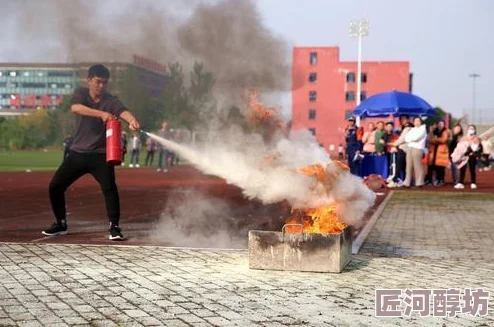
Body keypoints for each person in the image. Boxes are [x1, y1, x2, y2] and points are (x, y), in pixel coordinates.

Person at [42, 64, 140, 240]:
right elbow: (76, 108)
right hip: (77, 153)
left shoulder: (111, 100)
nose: (101, 86)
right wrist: (101, 114)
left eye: (104, 83)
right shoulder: (80, 94)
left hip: (100, 155)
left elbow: (122, 111)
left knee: (109, 188)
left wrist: (132, 120)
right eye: (98, 82)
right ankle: (61, 223)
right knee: (55, 186)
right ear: (89, 80)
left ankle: (115, 227)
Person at [452, 125, 482, 189]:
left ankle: (473, 183)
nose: (471, 129)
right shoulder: (464, 137)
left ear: (475, 130)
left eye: (472, 128)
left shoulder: (476, 138)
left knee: (472, 169)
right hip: (464, 156)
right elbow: (459, 146)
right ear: (468, 129)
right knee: (462, 169)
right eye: (470, 128)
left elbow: (477, 148)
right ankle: (460, 183)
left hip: (472, 156)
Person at [402, 117, 427, 188]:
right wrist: (410, 139)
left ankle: (419, 182)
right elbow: (406, 138)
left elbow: (417, 138)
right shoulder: (412, 129)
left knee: (417, 165)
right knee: (408, 166)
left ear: (421, 122)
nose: (417, 122)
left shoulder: (423, 129)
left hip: (418, 148)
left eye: (418, 121)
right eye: (415, 121)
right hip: (410, 148)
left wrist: (410, 139)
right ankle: (407, 182)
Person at [425, 120, 449, 186]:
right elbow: (430, 139)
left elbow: (444, 140)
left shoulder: (445, 131)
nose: (440, 125)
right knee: (431, 167)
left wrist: (435, 139)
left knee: (440, 167)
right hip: (433, 151)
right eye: (439, 123)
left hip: (441, 152)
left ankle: (440, 180)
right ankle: (429, 180)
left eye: (442, 124)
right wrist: (435, 138)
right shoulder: (433, 131)